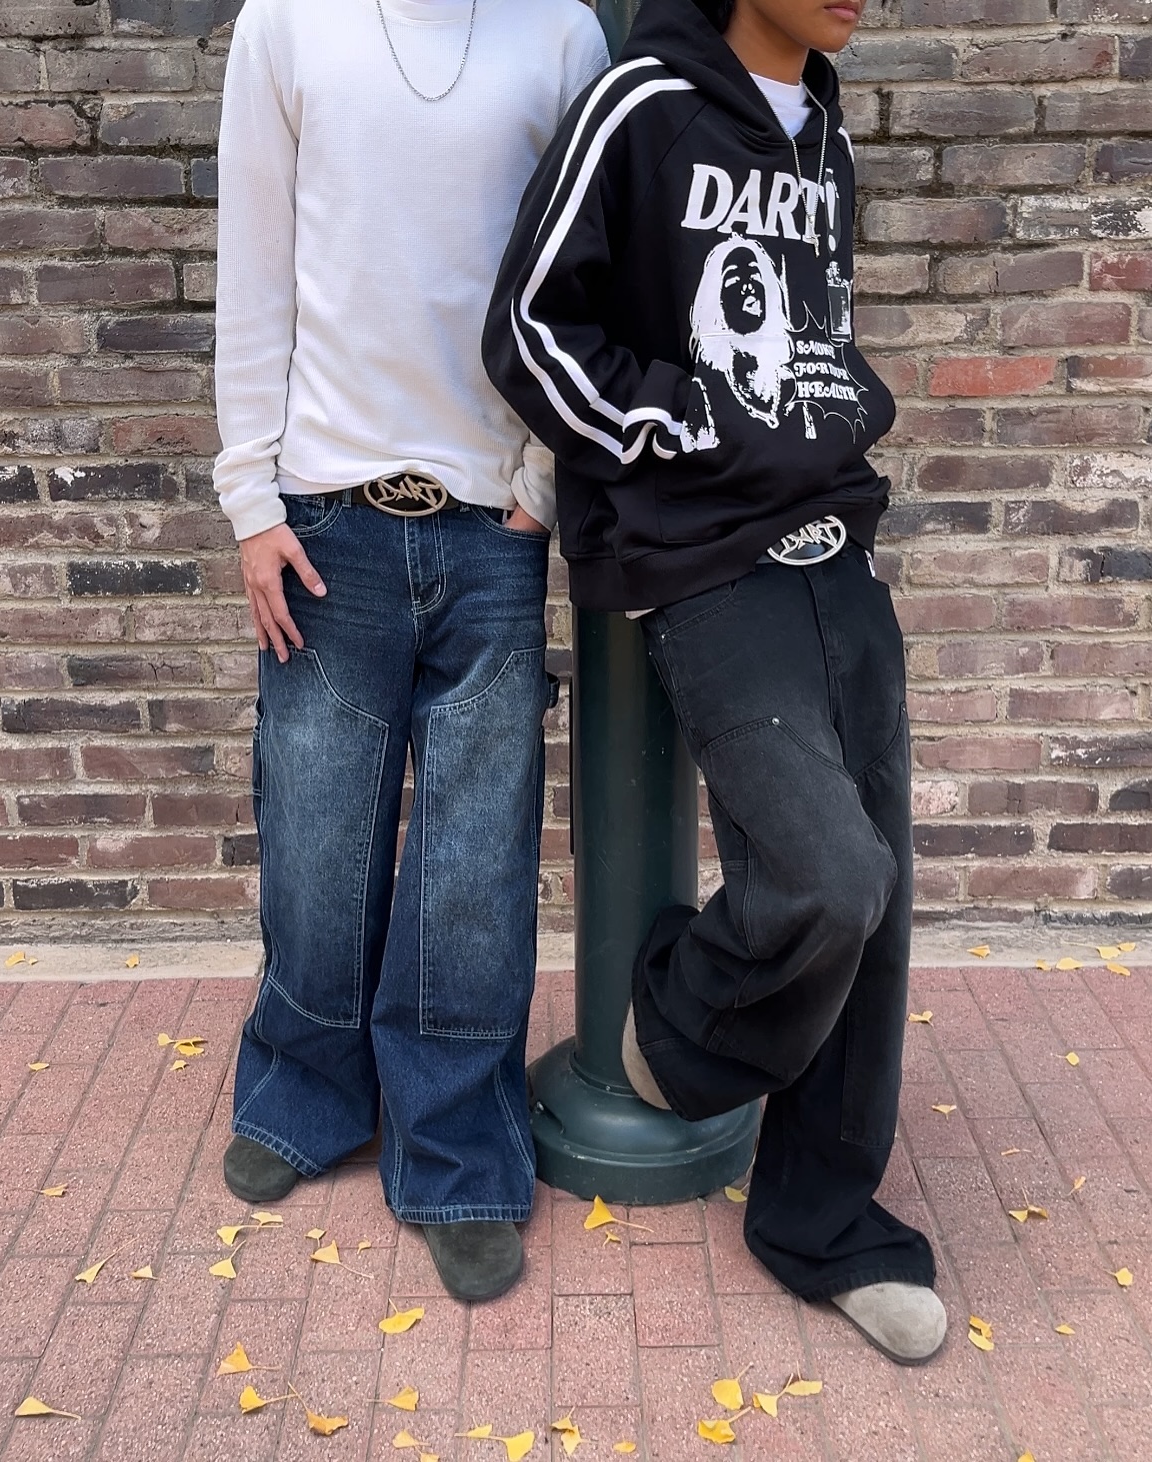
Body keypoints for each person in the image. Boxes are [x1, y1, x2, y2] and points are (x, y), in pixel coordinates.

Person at [484, 0, 947, 1361]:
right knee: (824, 876)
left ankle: (824, 1222)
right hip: (700, 560)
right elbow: (530, 324)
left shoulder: (827, 139)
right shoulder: (642, 105)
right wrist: (683, 424)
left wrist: (832, 415)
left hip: (832, 543)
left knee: (879, 898)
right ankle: (678, 1031)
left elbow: (815, 337)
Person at [212, 0, 608, 1302]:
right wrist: (250, 502)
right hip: (326, 521)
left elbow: (590, 278)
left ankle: (454, 1153)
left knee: (473, 869)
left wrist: (543, 482)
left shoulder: (561, 34)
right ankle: (304, 1090)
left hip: (491, 525)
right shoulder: (285, 24)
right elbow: (253, 266)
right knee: (315, 839)